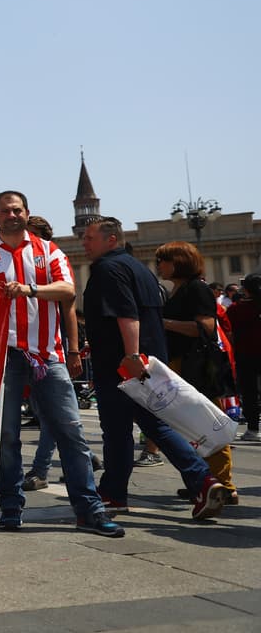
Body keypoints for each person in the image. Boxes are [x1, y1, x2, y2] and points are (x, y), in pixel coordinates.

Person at [0, 191, 122, 537]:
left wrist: (28, 290)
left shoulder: (49, 251)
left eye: (17, 209)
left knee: (71, 431)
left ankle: (89, 508)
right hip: (1, 358)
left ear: (27, 213)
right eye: (5, 210)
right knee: (6, 436)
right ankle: (10, 507)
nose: (12, 215)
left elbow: (67, 290)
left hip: (46, 356)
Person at [81, 218, 226, 519]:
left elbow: (126, 314)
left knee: (118, 431)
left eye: (90, 237)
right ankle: (202, 481)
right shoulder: (139, 269)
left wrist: (131, 356)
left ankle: (114, 494)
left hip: (121, 365)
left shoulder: (108, 269)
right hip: (147, 362)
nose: (85, 243)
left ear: (111, 240)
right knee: (154, 425)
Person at [21, 216, 103, 489]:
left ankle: (41, 470)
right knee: (51, 413)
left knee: (51, 414)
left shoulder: (54, 265)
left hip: (52, 350)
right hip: (26, 352)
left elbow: (69, 310)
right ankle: (86, 458)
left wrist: (73, 350)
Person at [155, 240, 237, 504]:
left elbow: (206, 328)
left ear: (178, 262)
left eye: (163, 260)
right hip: (180, 364)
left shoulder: (197, 289)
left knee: (208, 423)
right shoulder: (177, 291)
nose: (159, 266)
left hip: (196, 365)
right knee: (190, 428)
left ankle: (225, 484)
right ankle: (203, 480)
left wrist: (163, 323)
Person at [226, 274, 261, 442]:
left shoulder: (235, 309)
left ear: (245, 290)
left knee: (249, 392)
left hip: (245, 355)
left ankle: (253, 429)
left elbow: (229, 333)